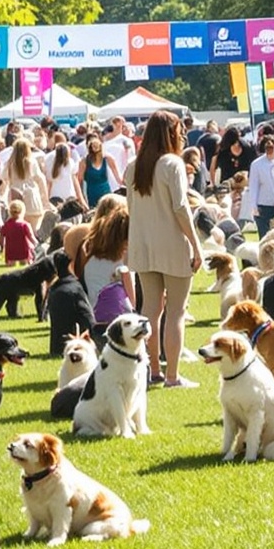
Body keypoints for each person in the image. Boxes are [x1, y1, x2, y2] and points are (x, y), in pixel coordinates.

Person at [123, 114, 201, 388]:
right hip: (172, 244)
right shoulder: (172, 164)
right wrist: (196, 244)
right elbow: (181, 208)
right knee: (176, 312)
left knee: (150, 311)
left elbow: (131, 208)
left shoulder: (133, 167)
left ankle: (153, 370)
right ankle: (172, 376)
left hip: (143, 245)